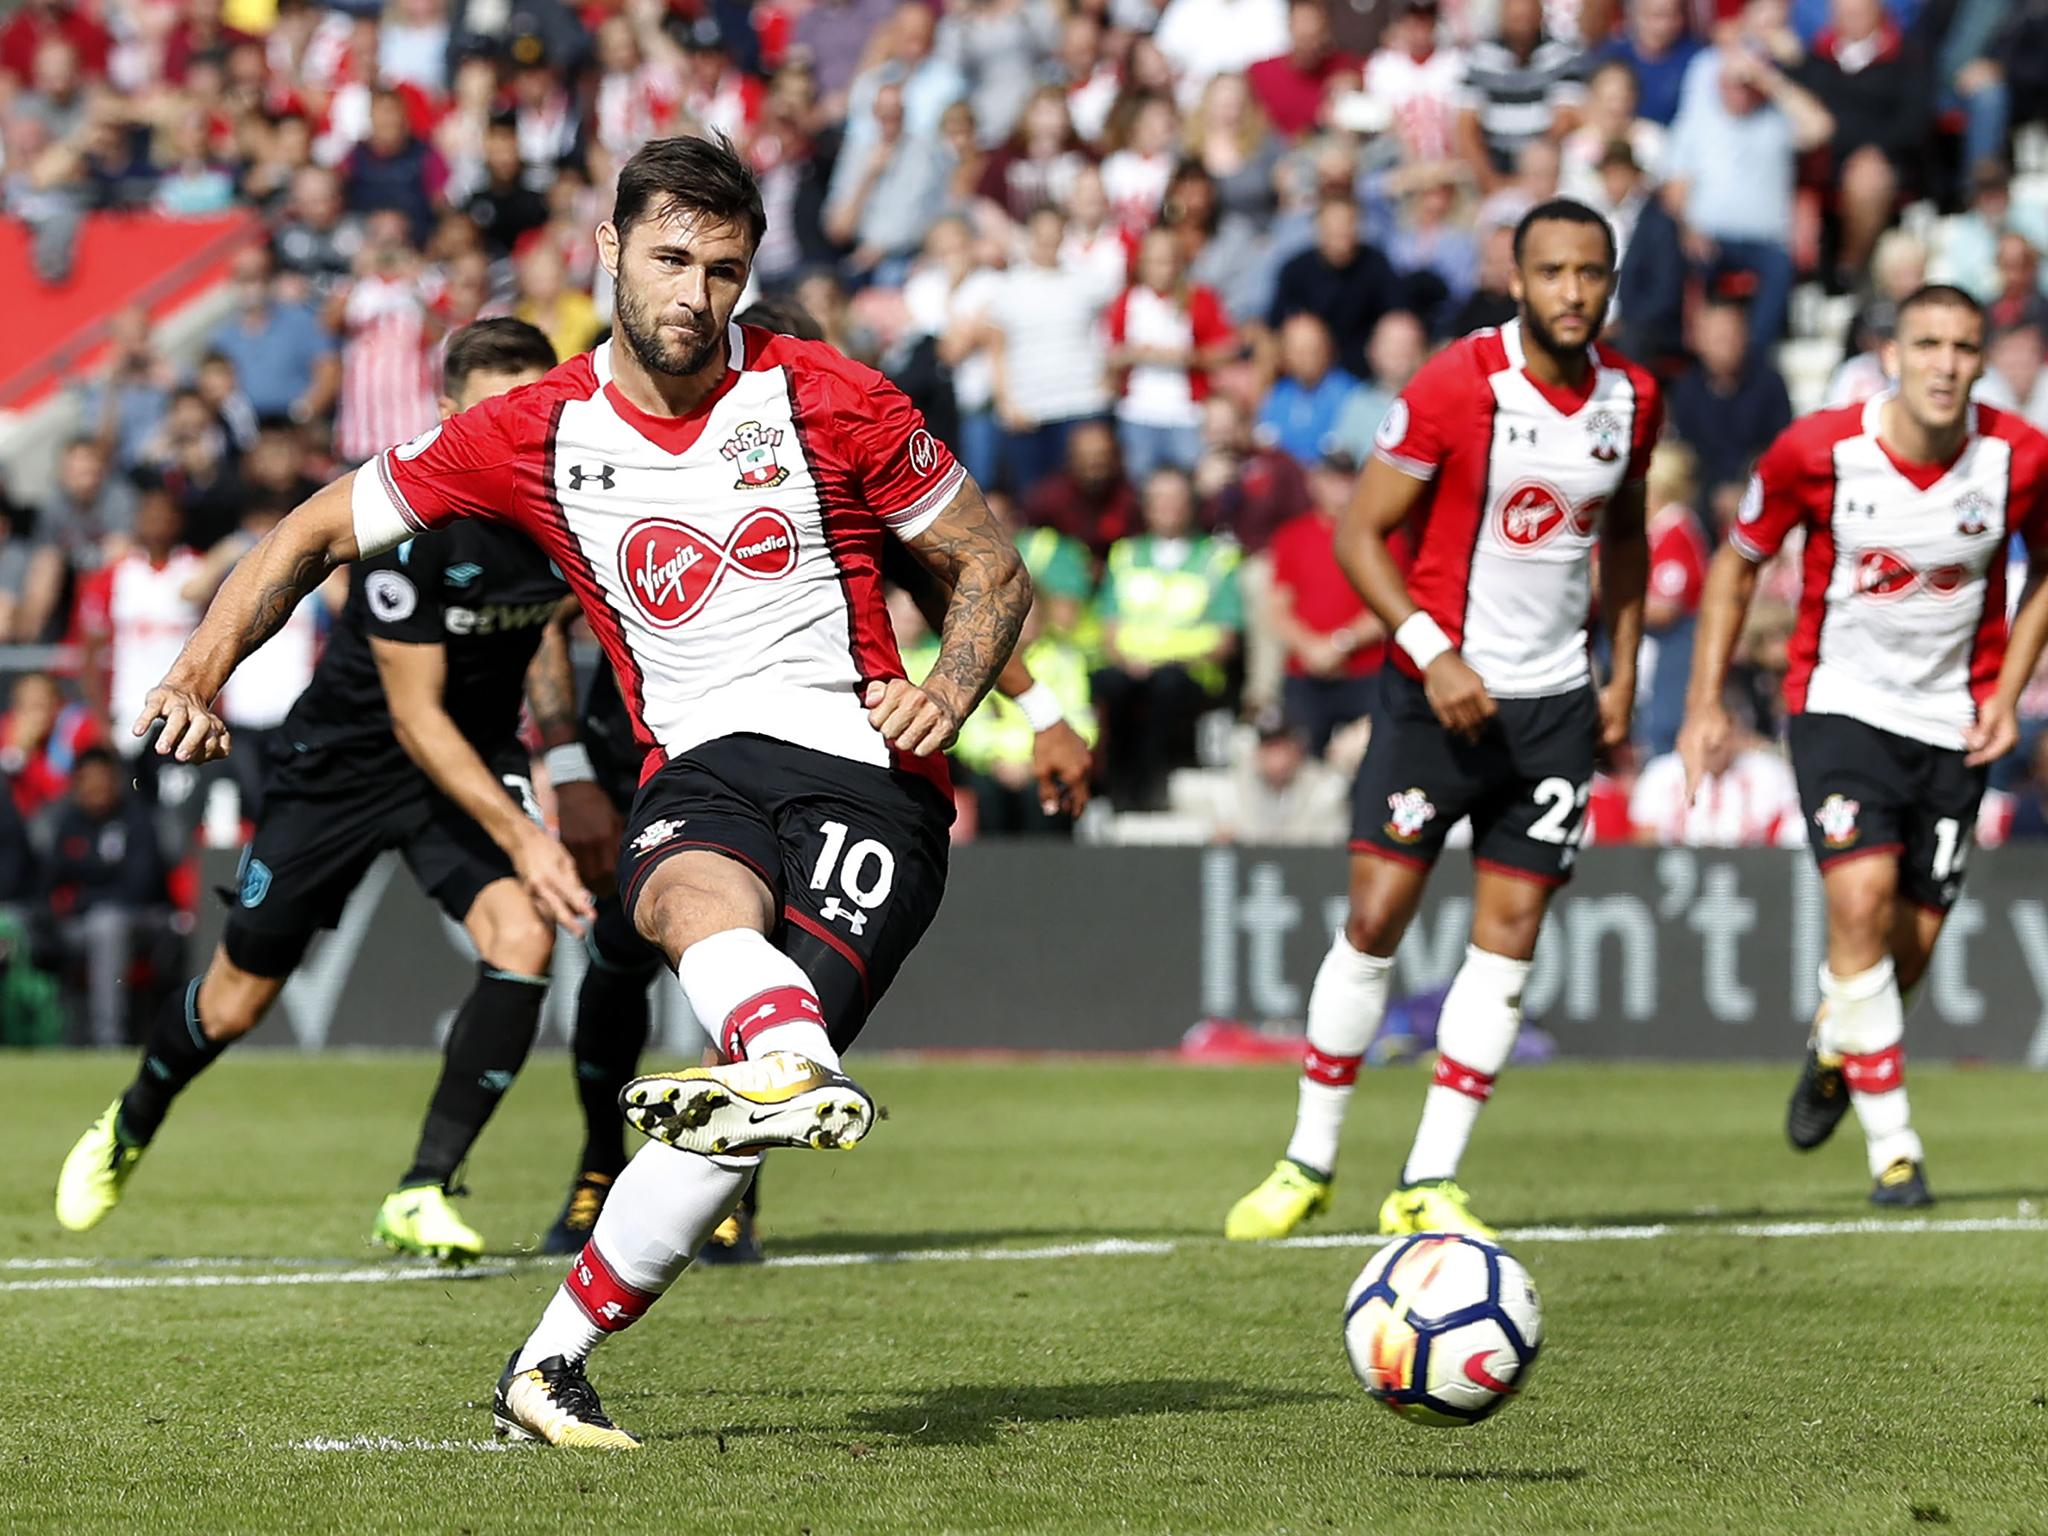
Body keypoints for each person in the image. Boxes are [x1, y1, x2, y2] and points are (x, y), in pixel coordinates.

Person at [118, 135, 1032, 1451]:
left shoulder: (831, 396)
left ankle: (553, 1351)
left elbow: (989, 568)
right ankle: (755, 1091)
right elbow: (317, 527)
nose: (695, 296)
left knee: (758, 1097)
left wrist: (950, 689)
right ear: (606, 253)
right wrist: (202, 670)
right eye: (670, 259)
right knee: (719, 961)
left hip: (868, 781)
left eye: (723, 270)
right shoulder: (533, 432)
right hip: (694, 770)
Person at [531, 297, 1093, 1264]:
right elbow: (546, 612)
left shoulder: (842, 449)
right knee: (621, 956)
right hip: (644, 735)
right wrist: (570, 766)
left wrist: (1037, 709)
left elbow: (950, 582)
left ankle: (725, 1177)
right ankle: (595, 1164)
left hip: (804, 749)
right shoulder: (619, 436)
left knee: (778, 966)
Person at [54, 320, 586, 1264]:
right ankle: (131, 1122)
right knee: (234, 1005)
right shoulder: (412, 526)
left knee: (523, 937)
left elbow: (541, 626)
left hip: (465, 762)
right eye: (501, 406)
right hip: (344, 768)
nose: (524, 425)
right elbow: (416, 717)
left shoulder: (572, 507)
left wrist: (570, 766)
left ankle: (422, 1188)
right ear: (453, 415)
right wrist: (530, 833)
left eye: (537, 403)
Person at [1225, 199, 1661, 1243]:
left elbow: (1629, 537)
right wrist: (1433, 653)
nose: (1570, 291)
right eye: (1550, 271)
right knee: (1373, 920)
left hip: (1553, 709)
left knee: (1507, 944)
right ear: (1517, 281)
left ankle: (1426, 1176)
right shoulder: (1455, 384)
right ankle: (1308, 1159)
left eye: (1588, 273)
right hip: (1433, 698)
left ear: (1608, 282)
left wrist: (1621, 670)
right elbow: (1358, 537)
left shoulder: (1633, 398)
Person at [1676, 284, 2048, 1210]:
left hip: (1955, 722)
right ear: (1892, 353)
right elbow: (1737, 562)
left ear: (1982, 358)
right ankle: (1896, 1152)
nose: (1945, 364)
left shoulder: (2021, 457)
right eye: (1927, 343)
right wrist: (1704, 701)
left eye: (1964, 347)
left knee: (1908, 946)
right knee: (1862, 900)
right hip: (1841, 705)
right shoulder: (1819, 449)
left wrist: (2007, 696)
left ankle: (1835, 1043)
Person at [44, 746, 171, 1047]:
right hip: (80, 922)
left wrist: (85, 894)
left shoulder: (137, 819)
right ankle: (42, 1038)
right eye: (87, 781)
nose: (95, 788)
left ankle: (108, 1041)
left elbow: (139, 888)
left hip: (143, 920)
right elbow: (50, 882)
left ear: (115, 781)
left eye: (101, 780)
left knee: (107, 924)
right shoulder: (68, 823)